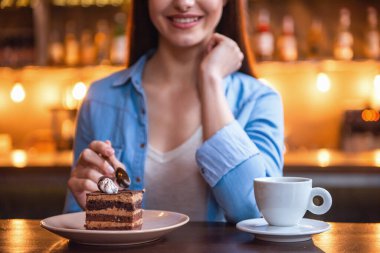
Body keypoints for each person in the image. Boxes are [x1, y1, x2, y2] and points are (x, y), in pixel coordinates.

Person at [63, 0, 284, 223]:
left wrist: (211, 79)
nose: (184, 3)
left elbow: (259, 213)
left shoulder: (260, 100)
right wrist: (100, 210)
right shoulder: (100, 99)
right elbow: (76, 220)